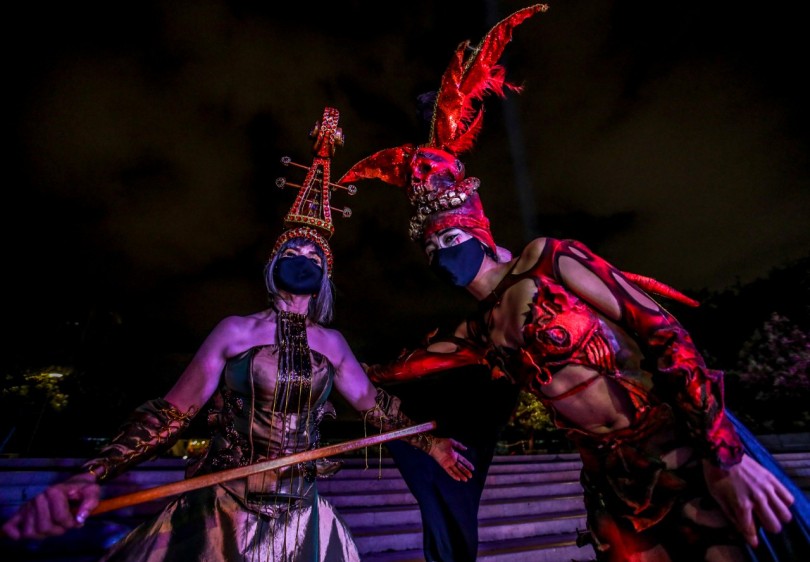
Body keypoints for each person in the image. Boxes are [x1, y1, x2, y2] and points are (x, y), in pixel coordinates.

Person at [338, 6, 809, 561]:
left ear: (478, 225)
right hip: (614, 491)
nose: (443, 251)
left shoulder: (548, 259)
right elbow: (395, 370)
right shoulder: (478, 334)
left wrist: (722, 452)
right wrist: (323, 367)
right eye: (431, 245)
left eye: (449, 235)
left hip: (683, 451)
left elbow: (663, 333)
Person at [0, 107, 474, 562]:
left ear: (326, 275)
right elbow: (171, 413)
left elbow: (376, 407)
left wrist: (430, 444)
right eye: (296, 246)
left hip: (302, 516)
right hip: (219, 511)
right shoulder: (234, 331)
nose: (306, 254)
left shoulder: (333, 344)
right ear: (275, 264)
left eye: (317, 253)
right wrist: (93, 471)